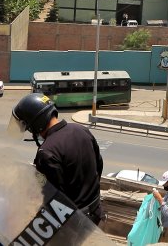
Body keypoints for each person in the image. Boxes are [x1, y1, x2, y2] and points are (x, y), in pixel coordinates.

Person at [11, 93, 105, 224]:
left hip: (74, 227)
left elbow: (53, 199)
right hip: (96, 214)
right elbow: (99, 165)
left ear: (35, 124)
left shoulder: (47, 152)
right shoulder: (81, 129)